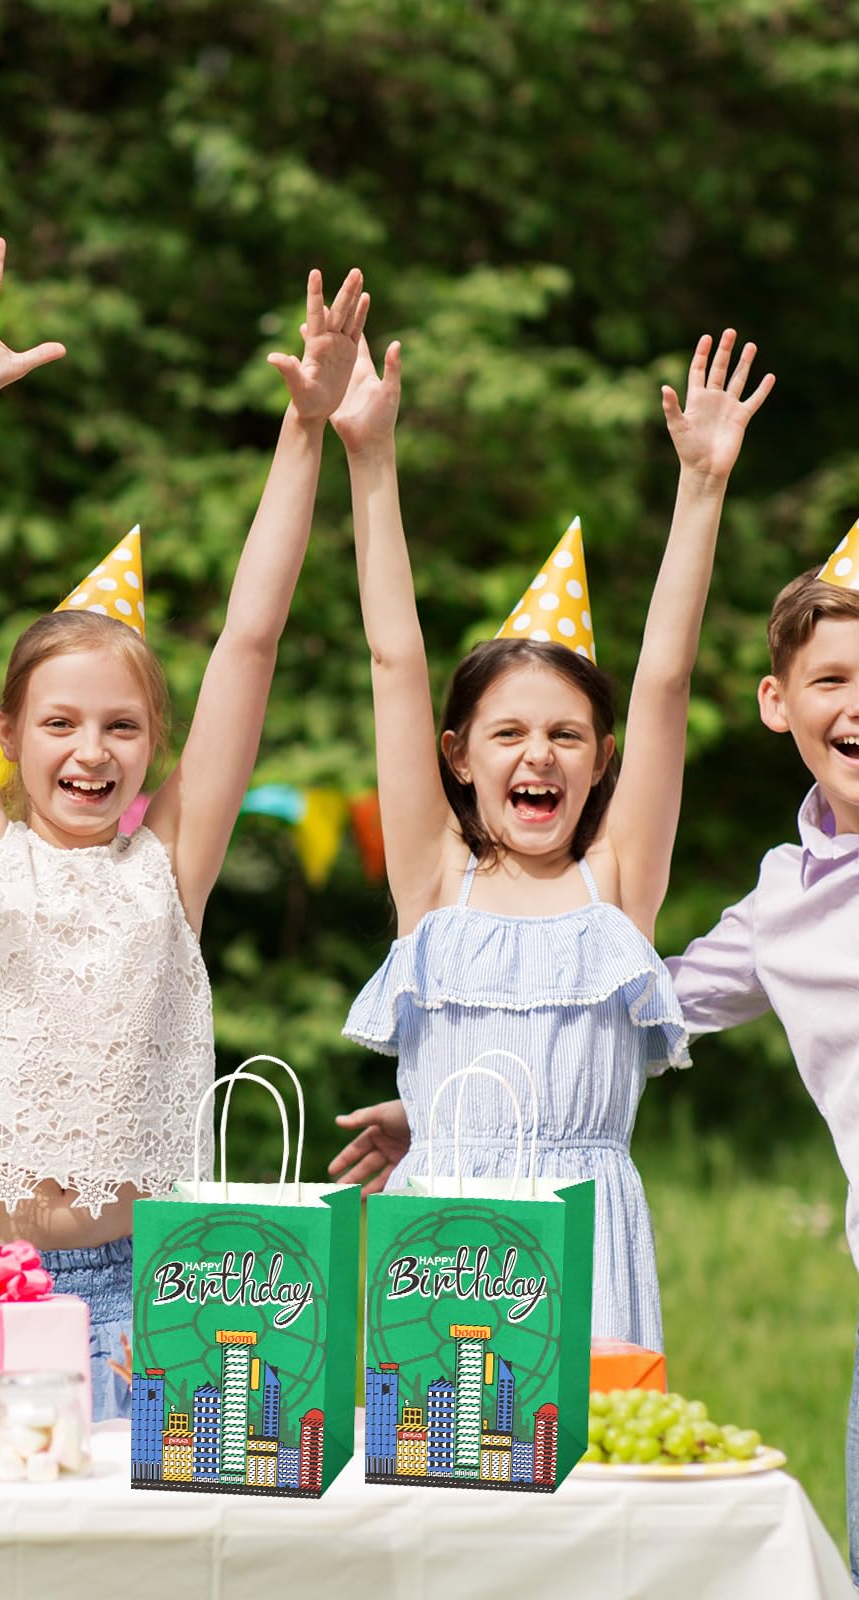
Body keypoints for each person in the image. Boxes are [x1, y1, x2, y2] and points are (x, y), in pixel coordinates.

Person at [0, 226, 366, 1417]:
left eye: (119, 727)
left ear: (153, 744)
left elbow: (250, 640)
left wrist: (302, 429)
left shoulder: (169, 866)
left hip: (130, 1289)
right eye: (57, 724)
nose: (89, 750)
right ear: (1, 732)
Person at [326, 326, 773, 1348]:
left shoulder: (615, 886)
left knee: (592, 1489)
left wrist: (700, 489)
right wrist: (370, 460)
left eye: (567, 734)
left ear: (600, 758)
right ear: (458, 755)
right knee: (440, 1474)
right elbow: (394, 659)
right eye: (510, 734)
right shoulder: (435, 883)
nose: (540, 757)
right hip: (437, 1233)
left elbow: (661, 682)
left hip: (586, 1236)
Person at [660, 549, 859, 1581]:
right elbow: (645, 1014)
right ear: (778, 702)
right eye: (833, 679)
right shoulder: (784, 898)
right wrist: (439, 1102)